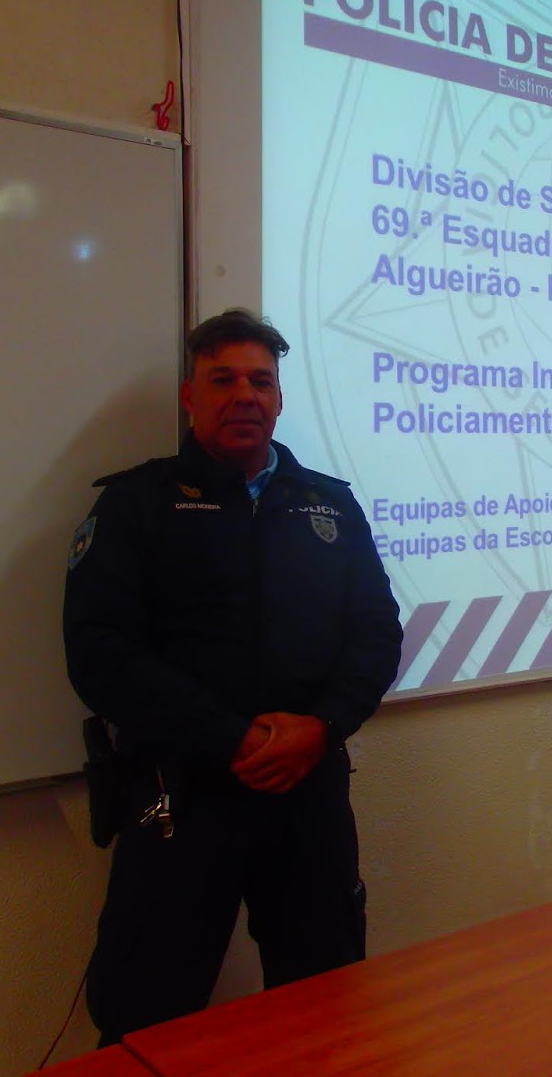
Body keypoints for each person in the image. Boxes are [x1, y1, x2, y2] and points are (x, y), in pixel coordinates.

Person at [63, 308, 402, 1043]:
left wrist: (322, 727)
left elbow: (376, 635)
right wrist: (232, 739)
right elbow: (100, 654)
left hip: (306, 790)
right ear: (191, 397)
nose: (244, 395)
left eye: (260, 381)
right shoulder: (136, 505)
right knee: (144, 1023)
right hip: (184, 795)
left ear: (279, 398)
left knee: (325, 1007)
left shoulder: (329, 504)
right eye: (223, 380)